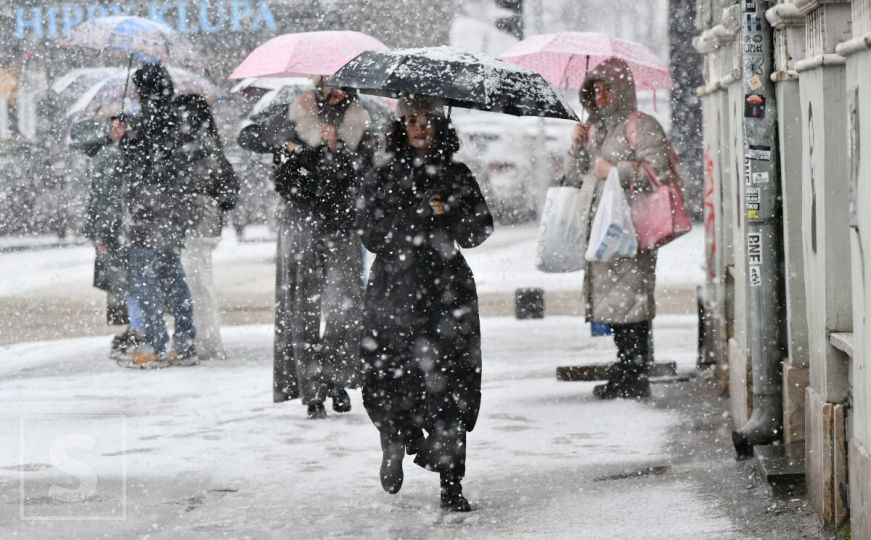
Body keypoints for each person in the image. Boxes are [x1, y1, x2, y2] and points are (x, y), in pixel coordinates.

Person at [357, 95, 493, 512]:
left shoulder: (456, 174)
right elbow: (370, 234)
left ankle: (451, 484)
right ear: (401, 126)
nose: (420, 126)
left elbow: (479, 230)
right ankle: (395, 440)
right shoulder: (382, 176)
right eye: (412, 119)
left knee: (452, 384)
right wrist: (414, 215)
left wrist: (449, 210)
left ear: (440, 125)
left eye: (427, 119)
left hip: (447, 291)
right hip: (395, 292)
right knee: (395, 377)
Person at [238, 78, 376, 418]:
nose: (335, 90)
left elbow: (367, 174)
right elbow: (249, 137)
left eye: (343, 85)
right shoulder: (296, 113)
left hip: (342, 226)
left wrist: (338, 150)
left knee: (346, 308)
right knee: (302, 309)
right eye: (328, 83)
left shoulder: (359, 121)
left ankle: (335, 377)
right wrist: (288, 147)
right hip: (301, 222)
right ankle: (312, 390)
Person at [563, 57, 672, 399]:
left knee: (631, 302)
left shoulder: (642, 126)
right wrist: (577, 146)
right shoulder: (595, 129)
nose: (601, 96)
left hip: (631, 229)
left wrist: (615, 171)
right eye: (595, 90)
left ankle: (633, 374)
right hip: (602, 232)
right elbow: (575, 176)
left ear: (623, 89)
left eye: (607, 89)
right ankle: (626, 370)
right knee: (614, 305)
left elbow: (659, 172)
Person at [114, 63, 198, 367]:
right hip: (173, 212)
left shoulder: (145, 123)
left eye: (138, 87)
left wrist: (123, 139)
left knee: (144, 281)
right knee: (173, 277)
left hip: (148, 214)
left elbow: (140, 166)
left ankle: (154, 344)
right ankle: (185, 343)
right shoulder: (177, 119)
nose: (135, 93)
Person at [69, 105, 143, 356]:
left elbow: (106, 199)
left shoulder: (110, 155)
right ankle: (139, 328)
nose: (112, 126)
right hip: (133, 226)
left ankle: (138, 329)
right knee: (135, 280)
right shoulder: (125, 150)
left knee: (126, 282)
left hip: (118, 229)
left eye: (116, 122)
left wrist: (102, 233)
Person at [174, 94, 239, 361]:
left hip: (192, 220)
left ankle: (201, 340)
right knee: (202, 283)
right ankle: (208, 339)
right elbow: (228, 189)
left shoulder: (189, 145)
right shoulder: (210, 142)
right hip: (208, 221)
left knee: (194, 284)